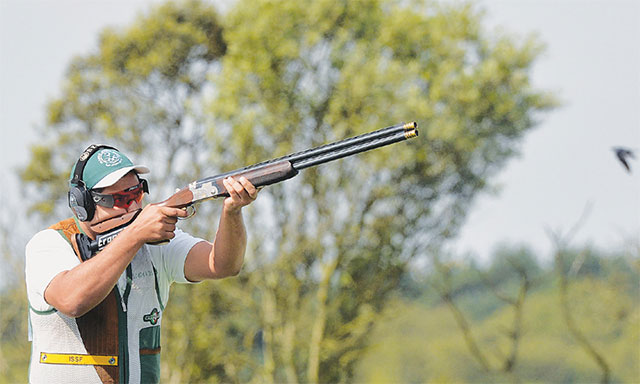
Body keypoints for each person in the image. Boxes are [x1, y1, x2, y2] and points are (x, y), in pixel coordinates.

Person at [25, 144, 258, 384]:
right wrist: (135, 234)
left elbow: (222, 264)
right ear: (82, 204)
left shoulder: (155, 243)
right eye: (117, 199)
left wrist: (232, 212)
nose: (130, 206)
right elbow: (72, 300)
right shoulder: (48, 244)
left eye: (135, 194)